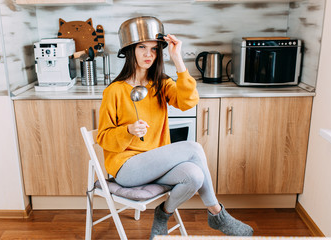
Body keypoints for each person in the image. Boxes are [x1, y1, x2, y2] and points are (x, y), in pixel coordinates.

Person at [97, 18, 253, 240]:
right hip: (127, 168)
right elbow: (103, 137)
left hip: (155, 164)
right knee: (193, 148)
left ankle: (163, 214)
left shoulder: (161, 84)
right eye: (142, 47)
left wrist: (177, 58)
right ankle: (217, 213)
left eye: (153, 48)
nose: (148, 54)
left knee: (194, 175)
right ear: (130, 50)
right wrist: (128, 130)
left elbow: (189, 101)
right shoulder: (114, 91)